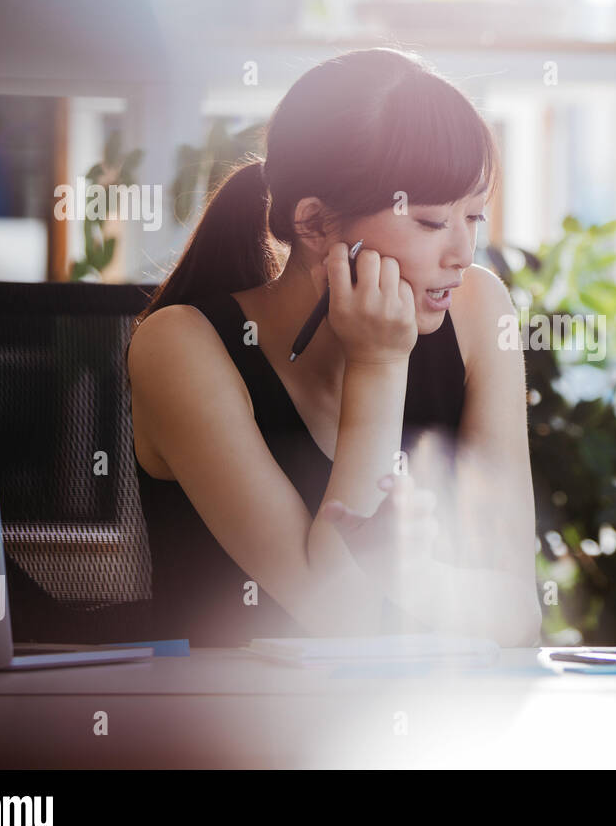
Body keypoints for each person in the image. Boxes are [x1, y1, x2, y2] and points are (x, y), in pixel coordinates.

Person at [127, 48, 542, 647]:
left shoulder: (477, 310)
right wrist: (378, 363)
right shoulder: (179, 347)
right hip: (229, 729)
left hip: (423, 730)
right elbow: (340, 617)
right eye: (429, 222)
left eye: (473, 217)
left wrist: (419, 575)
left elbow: (519, 618)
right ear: (316, 224)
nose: (462, 253)